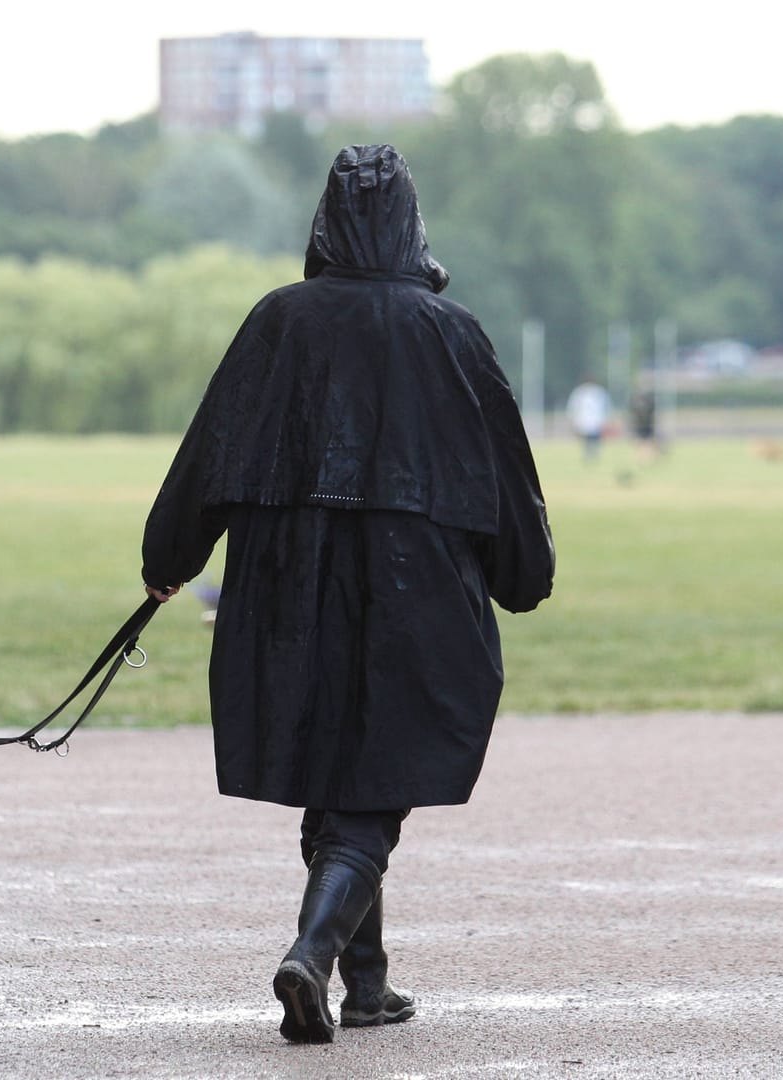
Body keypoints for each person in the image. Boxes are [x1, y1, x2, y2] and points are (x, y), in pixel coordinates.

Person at [139, 144, 555, 1044]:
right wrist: (527, 573)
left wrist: (168, 556)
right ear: (413, 222)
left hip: (289, 586)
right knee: (372, 787)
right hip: (419, 588)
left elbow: (209, 453)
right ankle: (313, 955)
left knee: (337, 776)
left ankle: (366, 987)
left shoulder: (278, 321)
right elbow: (509, 475)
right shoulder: (452, 332)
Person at [566, 378, 611, 462]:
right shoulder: (583, 392)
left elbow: (573, 407)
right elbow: (574, 406)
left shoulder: (595, 392)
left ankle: (592, 454)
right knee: (588, 440)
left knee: (593, 439)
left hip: (593, 420)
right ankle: (590, 454)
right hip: (586, 420)